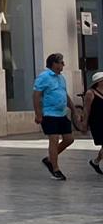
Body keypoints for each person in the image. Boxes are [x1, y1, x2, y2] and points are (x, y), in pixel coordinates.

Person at [33, 52, 77, 181]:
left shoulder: (61, 78)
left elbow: (64, 94)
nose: (63, 64)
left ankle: (49, 159)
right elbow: (36, 95)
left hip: (62, 113)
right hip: (49, 113)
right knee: (54, 139)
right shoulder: (44, 77)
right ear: (54, 64)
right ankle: (55, 169)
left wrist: (73, 108)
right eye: (61, 62)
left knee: (69, 139)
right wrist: (38, 113)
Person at [84, 71, 103, 176]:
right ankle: (95, 162)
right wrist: (84, 124)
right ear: (99, 81)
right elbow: (86, 109)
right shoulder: (90, 93)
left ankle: (95, 162)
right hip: (97, 123)